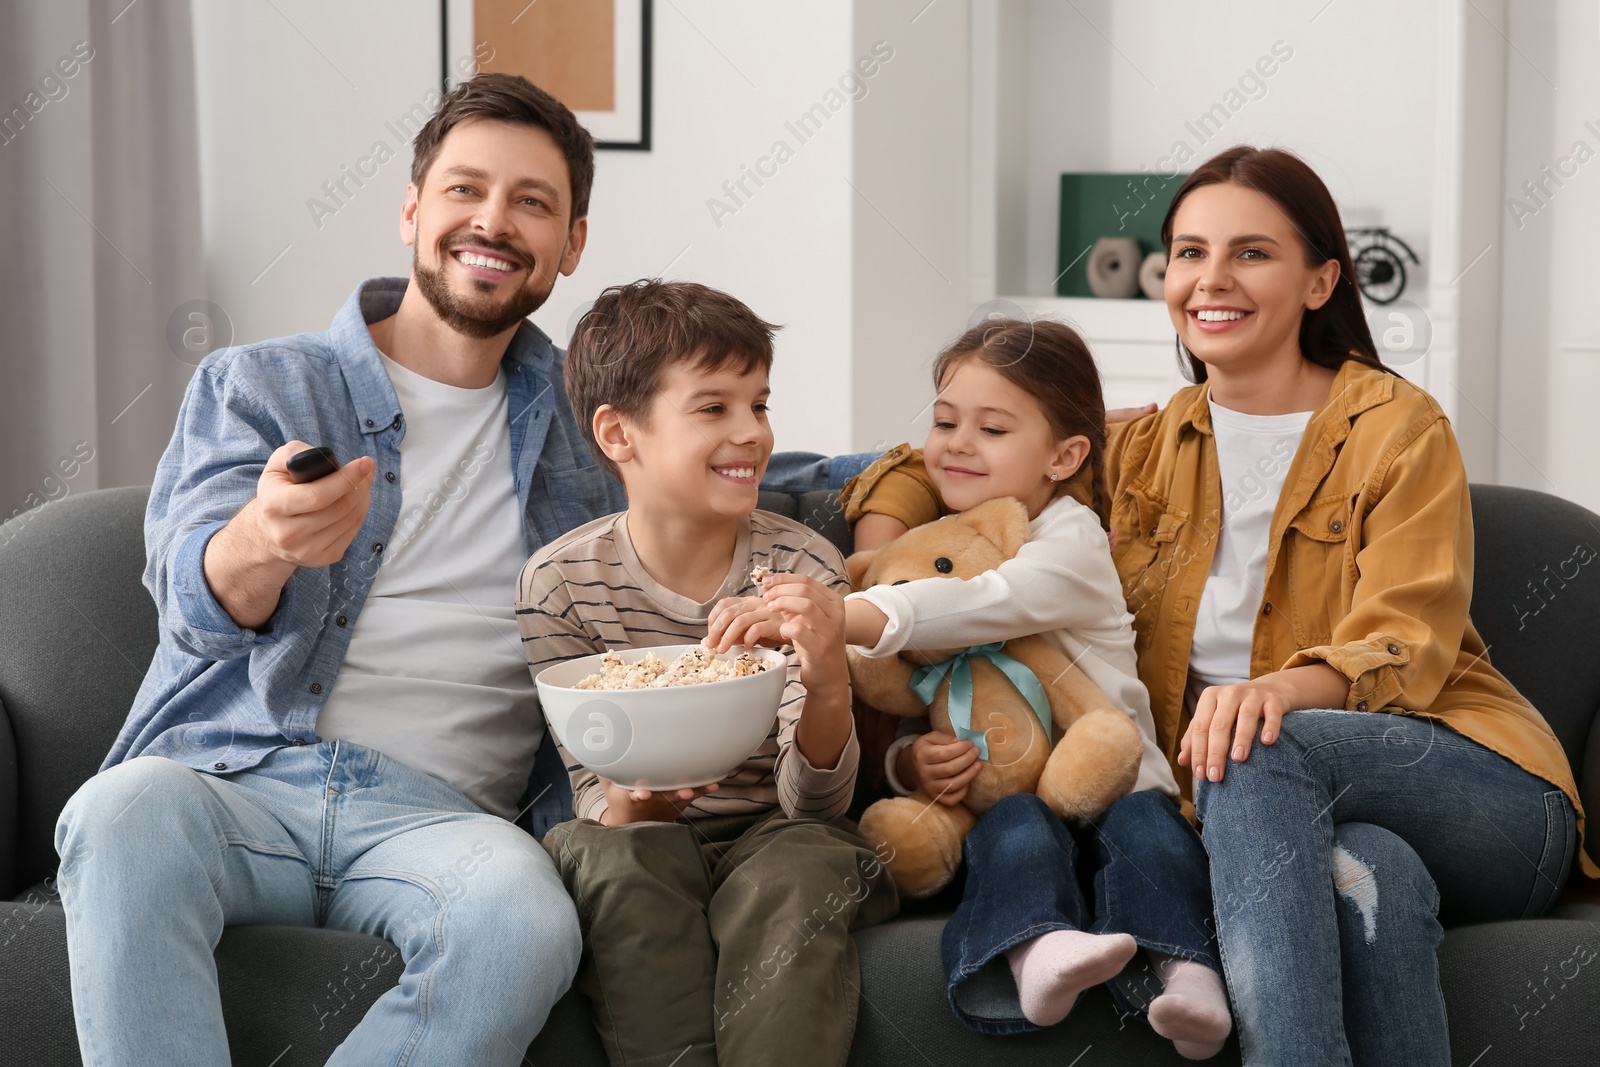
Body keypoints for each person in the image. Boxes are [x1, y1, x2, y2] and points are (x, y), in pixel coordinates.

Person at [50, 74, 868, 1065]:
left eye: (532, 201)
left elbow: (741, 460)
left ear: (571, 244)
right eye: (464, 189)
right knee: (117, 811)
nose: (493, 220)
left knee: (528, 921)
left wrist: (941, 469)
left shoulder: (585, 423)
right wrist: (265, 536)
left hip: (448, 819)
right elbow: (196, 597)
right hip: (236, 778)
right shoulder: (266, 383)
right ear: (411, 207)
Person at [837, 145, 1595, 1065]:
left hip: (1478, 788)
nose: (1211, 279)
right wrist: (875, 561)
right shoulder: (1150, 448)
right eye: (1190, 252)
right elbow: (943, 455)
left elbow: (1407, 641)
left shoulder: (1399, 430)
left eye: (1251, 253)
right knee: (1370, 878)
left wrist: (1271, 693)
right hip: (1288, 812)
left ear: (1321, 281)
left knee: (1249, 743)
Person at [787, 319, 1231, 1058]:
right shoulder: (940, 541)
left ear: (1064, 455)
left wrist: (842, 613)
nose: (958, 443)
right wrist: (909, 764)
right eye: (944, 420)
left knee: (1151, 834)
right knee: (1016, 826)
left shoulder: (1073, 540)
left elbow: (979, 604)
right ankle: (1040, 953)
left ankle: (1188, 977)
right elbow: (910, 693)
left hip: (1121, 791)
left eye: (992, 428)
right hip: (1009, 797)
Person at [519, 278, 898, 1067]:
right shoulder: (557, 582)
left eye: (759, 404)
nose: (752, 433)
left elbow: (816, 803)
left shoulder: (801, 565)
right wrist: (636, 805)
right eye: (714, 407)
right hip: (640, 839)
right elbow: (594, 789)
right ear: (619, 434)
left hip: (778, 831)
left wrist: (829, 677)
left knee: (801, 867)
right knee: (608, 858)